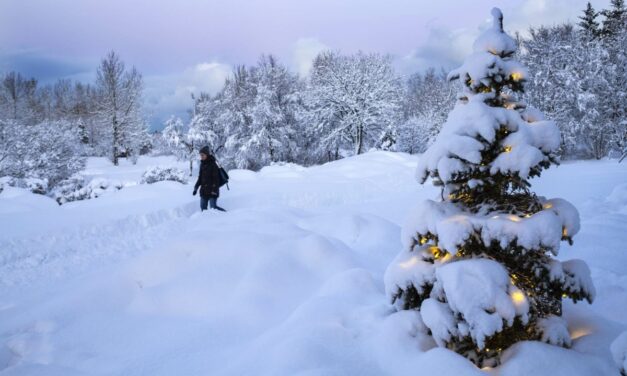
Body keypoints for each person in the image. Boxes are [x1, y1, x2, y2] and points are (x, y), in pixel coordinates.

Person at [193, 146, 226, 211]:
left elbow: (216, 180)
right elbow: (200, 178)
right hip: (204, 191)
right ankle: (205, 221)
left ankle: (227, 214)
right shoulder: (202, 164)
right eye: (200, 155)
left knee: (213, 208)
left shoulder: (213, 165)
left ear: (207, 155)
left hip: (212, 191)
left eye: (202, 155)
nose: (201, 156)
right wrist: (195, 188)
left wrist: (214, 191)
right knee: (203, 208)